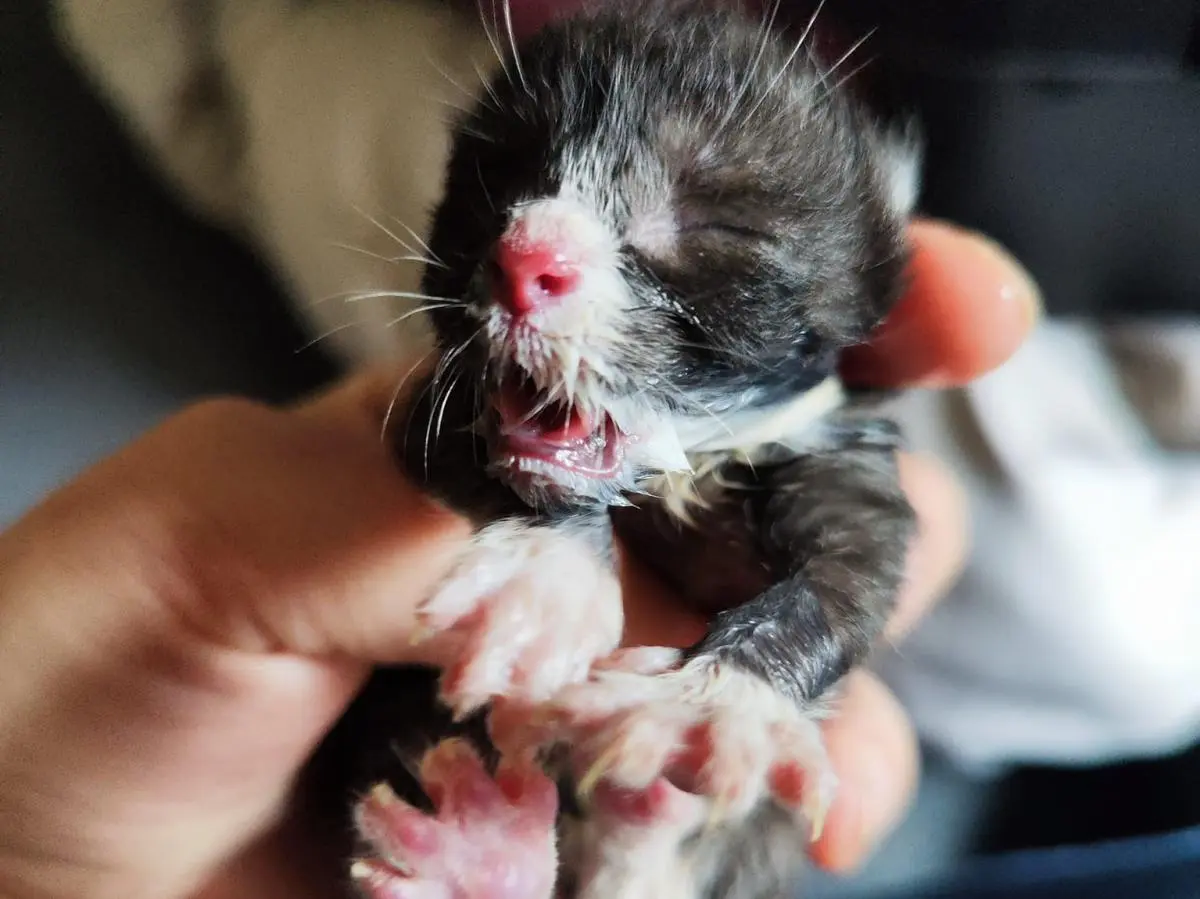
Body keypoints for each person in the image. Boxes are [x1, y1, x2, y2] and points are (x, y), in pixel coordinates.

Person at [0, 220, 1037, 899]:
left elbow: (847, 571)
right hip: (371, 785)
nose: (527, 251)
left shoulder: (821, 438)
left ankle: (637, 843)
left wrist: (761, 666)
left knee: (757, 771)